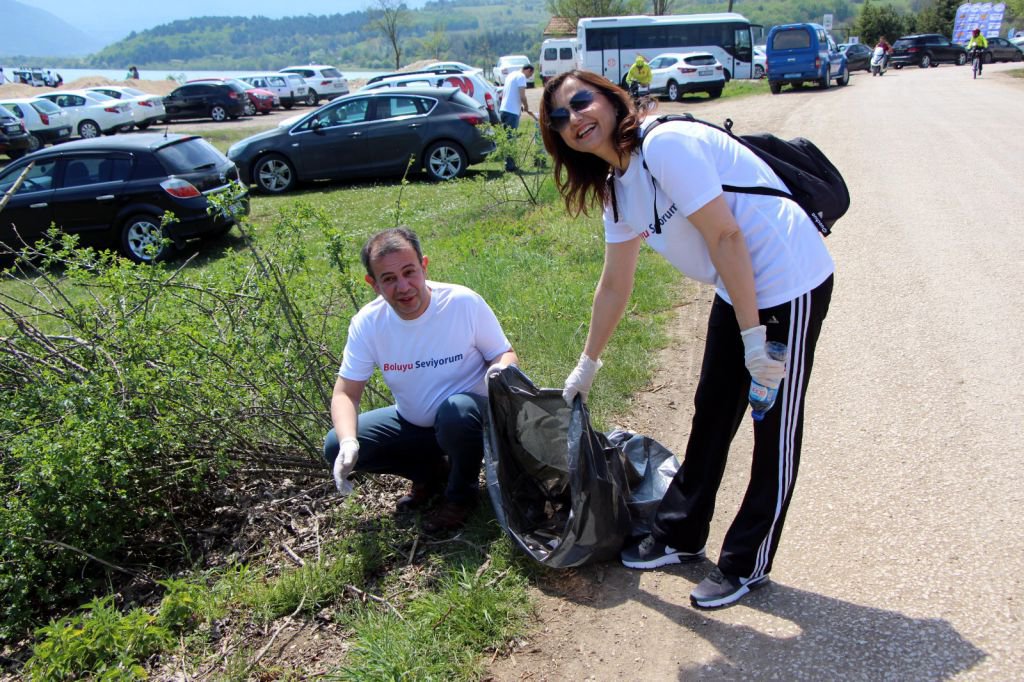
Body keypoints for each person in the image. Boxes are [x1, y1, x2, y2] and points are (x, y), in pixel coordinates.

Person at [539, 71, 834, 609]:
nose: (574, 119)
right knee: (712, 410)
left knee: (774, 423)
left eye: (581, 102)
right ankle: (681, 531)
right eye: (559, 117)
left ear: (610, 99)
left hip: (787, 277)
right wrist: (588, 364)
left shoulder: (665, 145)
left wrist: (753, 340)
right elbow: (614, 284)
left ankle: (748, 561)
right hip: (738, 283)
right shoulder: (617, 189)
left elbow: (726, 234)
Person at [323, 227, 519, 532]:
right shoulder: (368, 324)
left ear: (424, 266)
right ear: (373, 284)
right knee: (334, 445)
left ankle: (461, 496)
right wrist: (349, 441)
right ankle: (431, 474)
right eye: (388, 279)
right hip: (415, 422)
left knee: (456, 414)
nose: (403, 286)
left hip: (470, 419)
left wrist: (499, 372)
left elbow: (503, 353)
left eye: (409, 272)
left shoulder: (461, 303)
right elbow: (345, 394)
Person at [498, 63, 536, 171]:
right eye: (530, 74)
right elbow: (522, 95)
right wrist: (527, 107)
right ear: (528, 70)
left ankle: (507, 163)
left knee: (506, 138)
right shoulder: (521, 77)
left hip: (503, 110)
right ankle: (510, 166)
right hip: (512, 112)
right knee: (511, 139)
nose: (529, 77)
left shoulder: (511, 75)